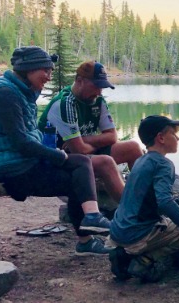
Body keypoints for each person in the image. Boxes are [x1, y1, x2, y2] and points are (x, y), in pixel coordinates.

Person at [0, 46, 113, 256]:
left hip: (23, 162)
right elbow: (20, 142)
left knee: (82, 162)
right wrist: (57, 155)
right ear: (28, 69)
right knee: (77, 179)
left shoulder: (21, 91)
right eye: (46, 71)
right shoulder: (4, 93)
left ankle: (92, 218)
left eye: (51, 71)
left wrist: (55, 153)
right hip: (8, 167)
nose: (49, 77)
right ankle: (87, 237)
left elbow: (28, 138)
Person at [107, 115, 179, 283]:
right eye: (173, 134)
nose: (178, 137)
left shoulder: (140, 160)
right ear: (161, 138)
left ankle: (123, 254)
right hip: (136, 234)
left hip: (118, 231)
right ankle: (143, 260)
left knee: (171, 220)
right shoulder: (163, 164)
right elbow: (164, 202)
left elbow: (150, 202)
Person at [38, 61, 143, 202]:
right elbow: (79, 150)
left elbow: (112, 137)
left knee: (133, 148)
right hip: (56, 161)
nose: (99, 92)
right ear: (80, 81)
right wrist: (89, 143)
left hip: (81, 153)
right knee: (106, 162)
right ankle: (133, 213)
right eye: (96, 86)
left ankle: (147, 199)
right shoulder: (65, 103)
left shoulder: (98, 101)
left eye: (102, 87)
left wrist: (85, 140)